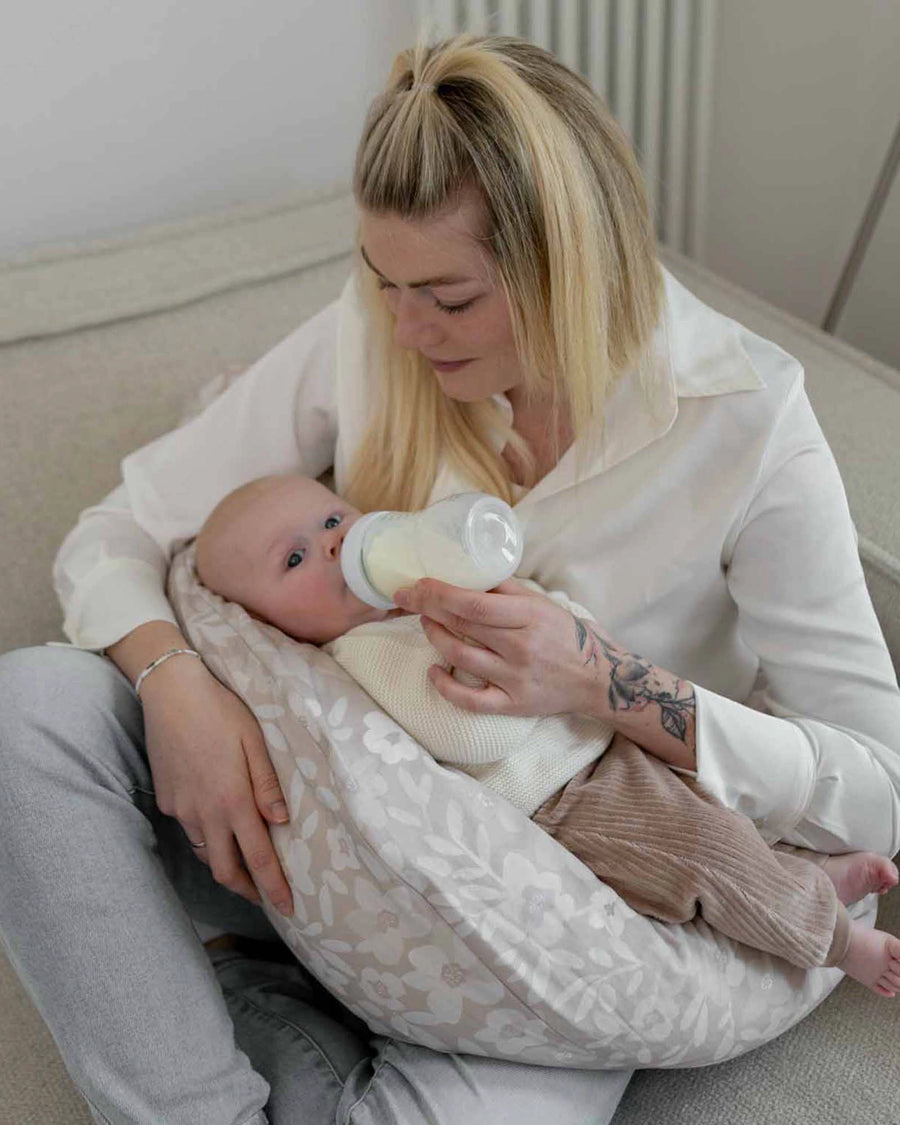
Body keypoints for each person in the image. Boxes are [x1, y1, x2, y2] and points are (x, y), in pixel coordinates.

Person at [1, 30, 899, 1125]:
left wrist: (605, 683)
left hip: (543, 910)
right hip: (296, 822)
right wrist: (172, 686)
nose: (405, 328)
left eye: (451, 299)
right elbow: (116, 530)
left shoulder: (749, 425)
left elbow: (876, 787)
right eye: (383, 283)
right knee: (33, 710)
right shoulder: (379, 331)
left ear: (574, 265)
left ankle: (277, 1009)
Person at [193, 470, 900, 995]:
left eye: (332, 519)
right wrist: (486, 656)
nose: (334, 545)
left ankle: (799, 876)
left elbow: (578, 634)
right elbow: (474, 739)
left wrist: (543, 619)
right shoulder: (362, 655)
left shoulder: (421, 595)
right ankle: (836, 941)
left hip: (603, 742)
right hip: (569, 800)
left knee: (719, 797)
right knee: (704, 853)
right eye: (293, 560)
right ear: (269, 625)